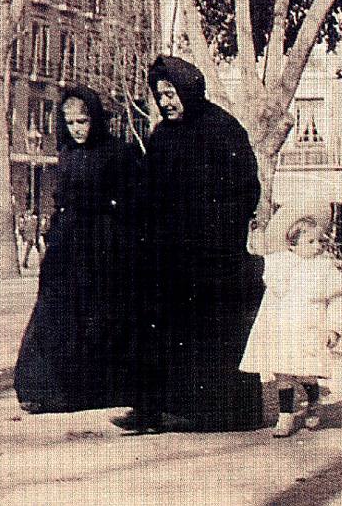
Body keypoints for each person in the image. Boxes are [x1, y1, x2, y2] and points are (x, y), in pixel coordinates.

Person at [113, 55, 265, 434]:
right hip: (169, 253)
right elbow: (149, 191)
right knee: (159, 327)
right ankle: (152, 409)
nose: (165, 102)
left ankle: (224, 413)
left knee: (213, 333)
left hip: (216, 254)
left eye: (171, 93)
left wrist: (218, 229)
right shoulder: (161, 136)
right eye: (160, 95)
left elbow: (247, 187)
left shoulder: (223, 129)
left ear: (189, 89)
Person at [14, 85, 145, 415]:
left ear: (95, 119)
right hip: (67, 247)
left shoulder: (120, 153)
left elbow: (135, 201)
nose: (77, 129)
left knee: (102, 314)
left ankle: (100, 389)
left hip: (105, 247)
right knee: (56, 312)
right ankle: (45, 388)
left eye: (83, 121)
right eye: (70, 122)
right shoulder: (67, 154)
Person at [239, 214, 342, 437]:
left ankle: (313, 400)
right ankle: (285, 416)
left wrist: (333, 328)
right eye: (310, 242)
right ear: (293, 244)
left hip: (310, 328)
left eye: (319, 241)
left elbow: (335, 302)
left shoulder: (324, 269)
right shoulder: (280, 265)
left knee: (306, 373)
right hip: (284, 329)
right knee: (282, 372)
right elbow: (269, 296)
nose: (317, 246)